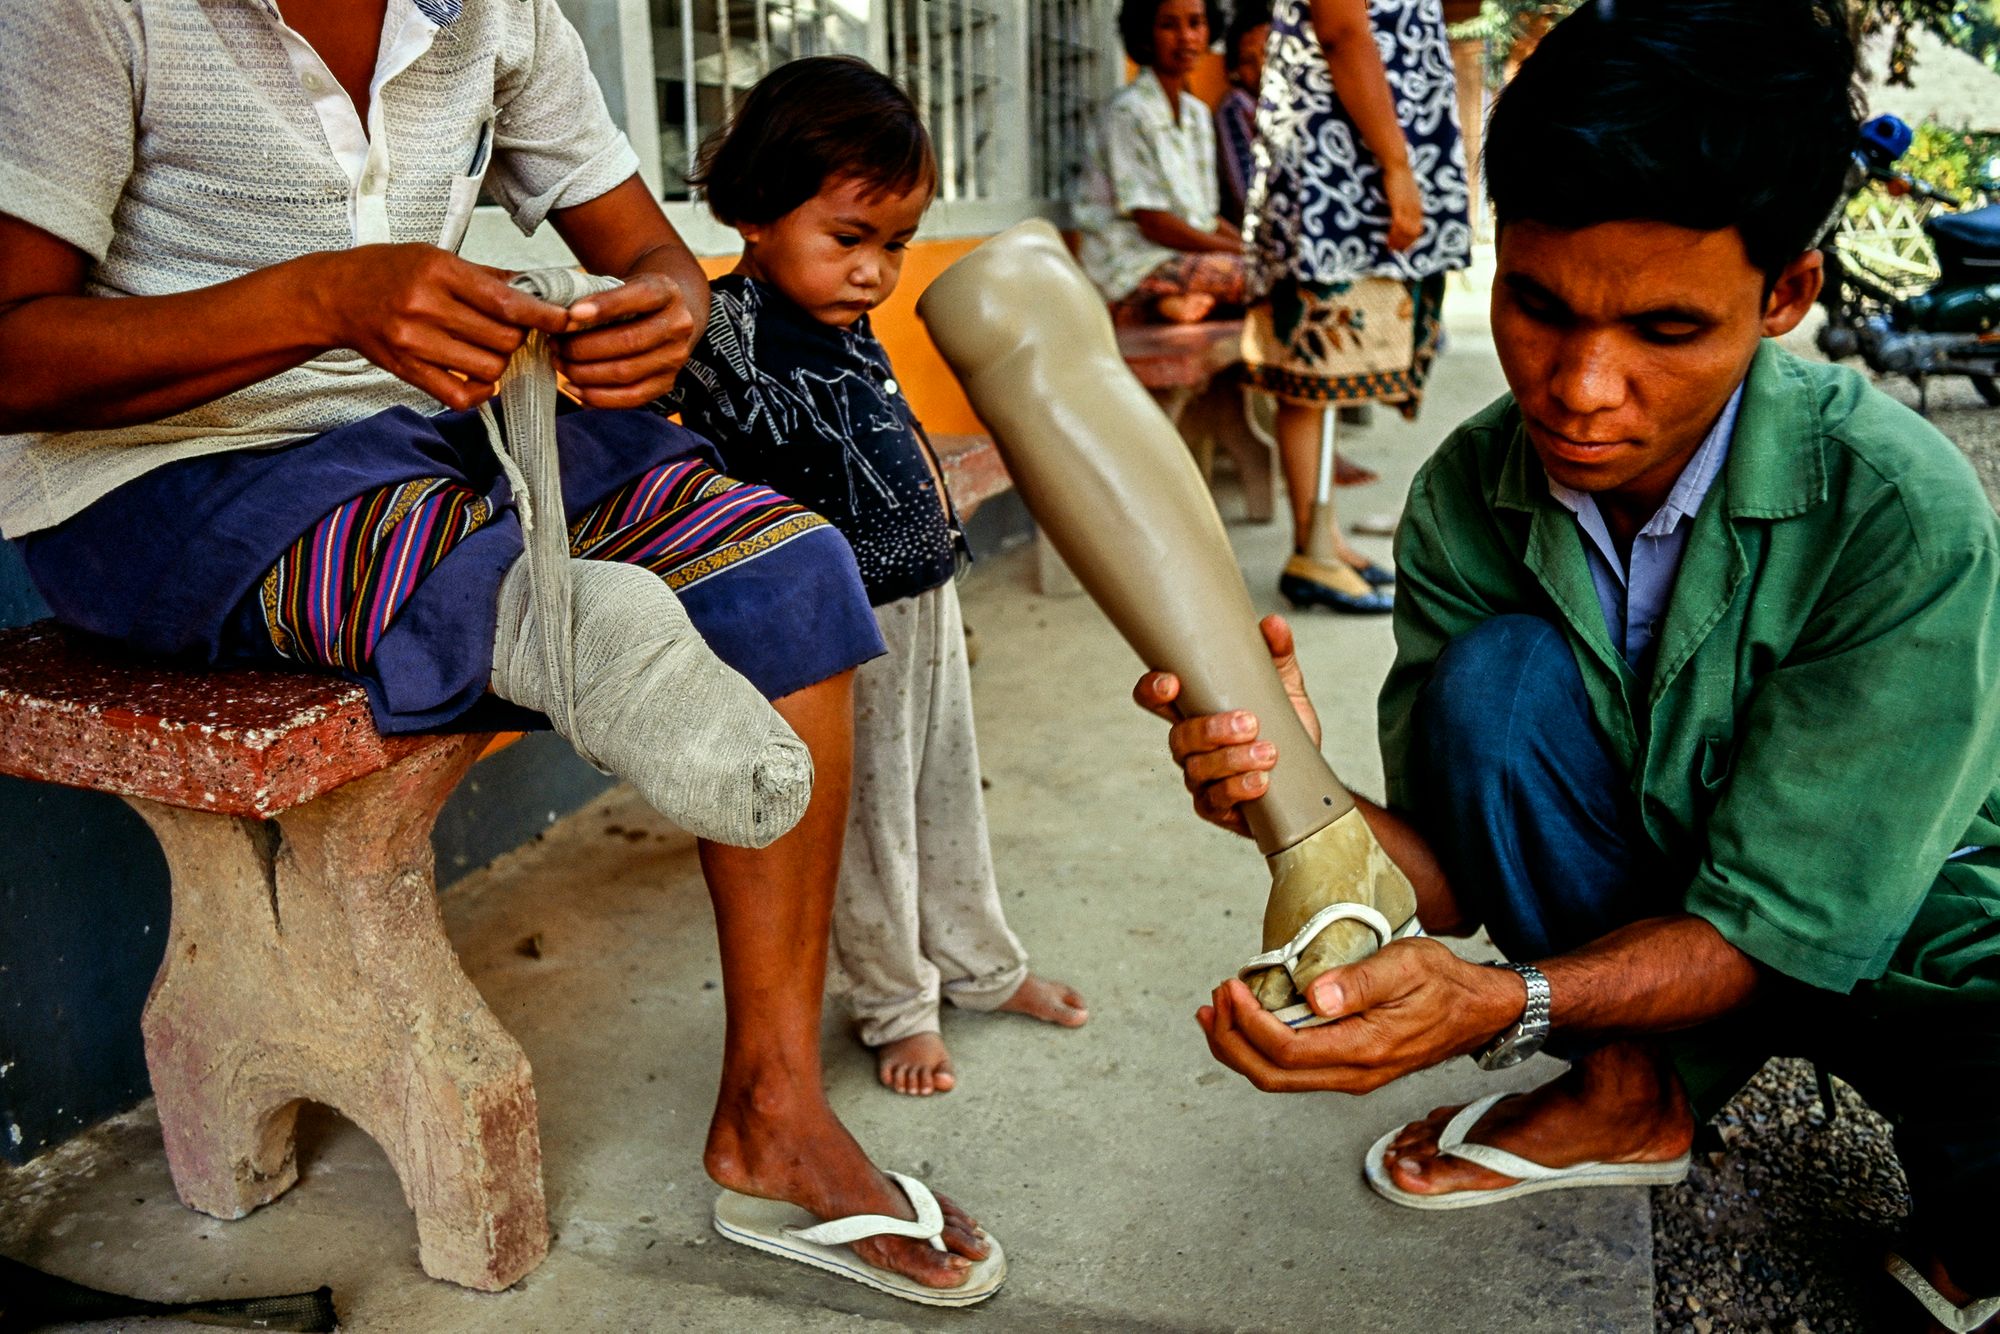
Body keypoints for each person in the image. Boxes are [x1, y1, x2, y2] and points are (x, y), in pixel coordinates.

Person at [0, 0, 994, 1302]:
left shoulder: (494, 12)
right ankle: (560, 622)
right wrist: (321, 298)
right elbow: (15, 350)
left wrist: (664, 312)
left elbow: (646, 246)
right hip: (166, 484)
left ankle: (775, 1111)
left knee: (788, 563)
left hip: (430, 436)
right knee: (439, 558)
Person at [1136, 1, 2000, 1327]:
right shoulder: (1473, 493)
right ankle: (1630, 1088)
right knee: (1494, 682)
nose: (1580, 389)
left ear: (1784, 298)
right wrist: (1291, 791)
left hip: (1913, 933)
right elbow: (1455, 868)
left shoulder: (1900, 508)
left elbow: (1795, 921)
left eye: (1663, 330)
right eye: (1537, 308)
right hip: (1693, 905)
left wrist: (1506, 999)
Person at [671, 56, 1088, 1100]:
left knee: (941, 790)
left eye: (894, 244)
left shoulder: (843, 323)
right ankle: (894, 1002)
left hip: (921, 594)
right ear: (756, 210)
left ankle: (979, 963)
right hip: (823, 624)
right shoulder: (716, 331)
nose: (873, 271)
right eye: (848, 239)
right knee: (860, 818)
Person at [1243, 0, 1471, 614]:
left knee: (1329, 366)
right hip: (1343, 167)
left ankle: (1324, 538)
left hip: (1359, 159)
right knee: (1315, 360)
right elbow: (1342, 30)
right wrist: (1397, 166)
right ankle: (1312, 549)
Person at [1075, 0, 1246, 325]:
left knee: (1272, 270)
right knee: (1259, 279)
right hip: (1130, 262)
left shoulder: (1196, 115)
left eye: (1196, 23)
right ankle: (1146, 301)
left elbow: (1204, 218)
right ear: (1145, 34)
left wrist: (1253, 247)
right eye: (1169, 25)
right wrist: (1243, 255)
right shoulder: (1128, 112)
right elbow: (1155, 223)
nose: (1186, 37)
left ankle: (1170, 302)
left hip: (1181, 256)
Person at [1215, 3, 1270, 230]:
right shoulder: (1236, 108)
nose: (1262, 67)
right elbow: (1246, 194)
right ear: (1235, 70)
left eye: (1268, 52)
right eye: (1248, 61)